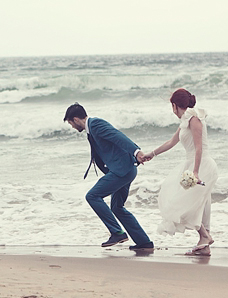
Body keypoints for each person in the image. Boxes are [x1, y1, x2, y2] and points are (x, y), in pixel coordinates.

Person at [64, 103, 154, 250]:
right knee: (117, 207)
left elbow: (118, 137)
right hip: (125, 170)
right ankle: (143, 242)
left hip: (122, 170)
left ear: (75, 119)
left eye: (70, 123)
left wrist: (137, 152)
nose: (72, 127)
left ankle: (117, 232)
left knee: (92, 196)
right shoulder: (91, 129)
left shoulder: (96, 124)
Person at [143, 88, 218, 256]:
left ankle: (205, 237)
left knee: (185, 204)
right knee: (201, 205)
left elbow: (199, 148)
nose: (172, 111)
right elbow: (171, 142)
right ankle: (204, 245)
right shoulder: (185, 121)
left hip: (202, 165)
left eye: (172, 107)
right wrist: (151, 154)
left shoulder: (194, 119)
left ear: (175, 106)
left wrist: (196, 172)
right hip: (191, 164)